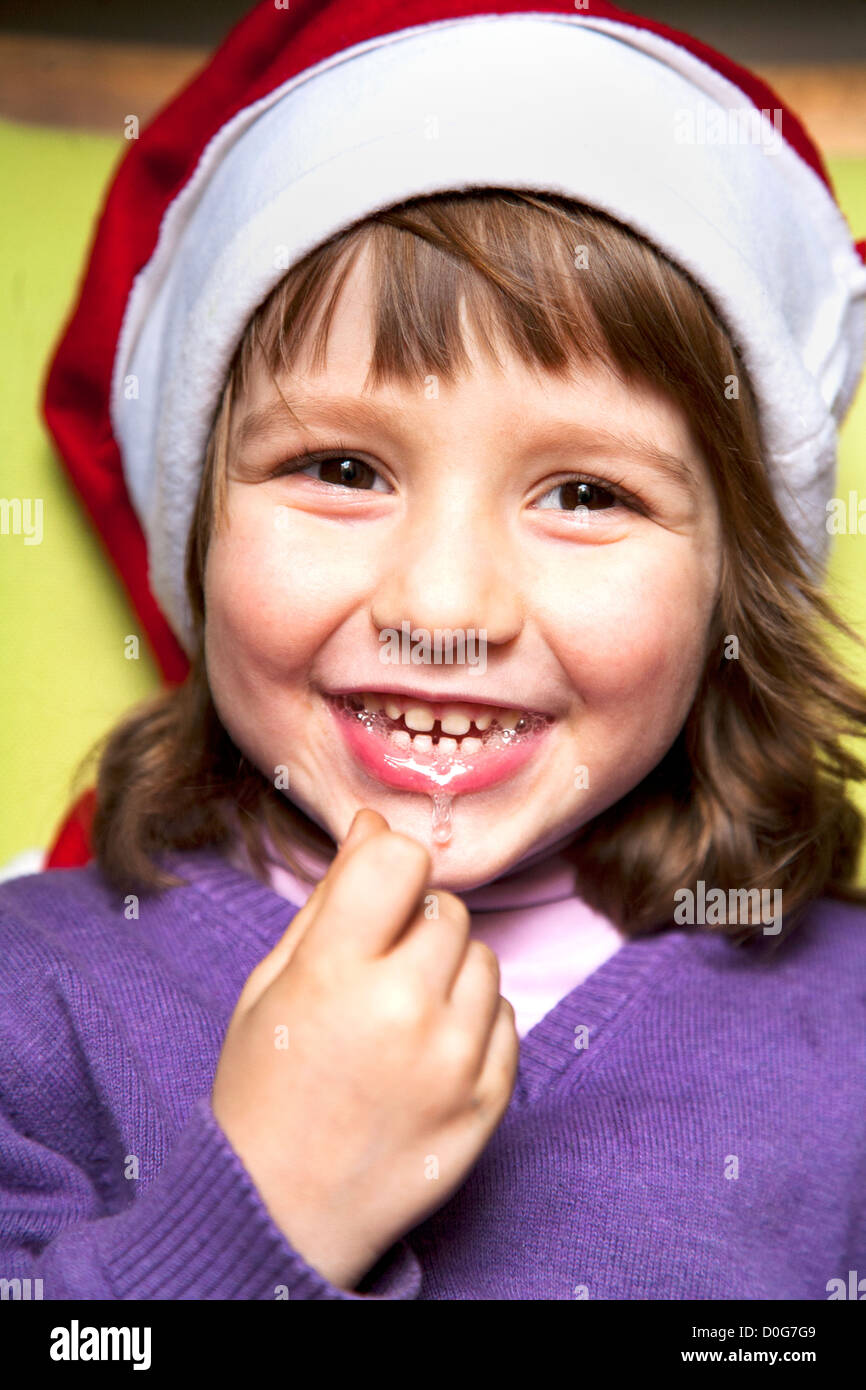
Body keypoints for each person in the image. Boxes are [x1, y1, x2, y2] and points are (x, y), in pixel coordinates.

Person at [2, 0, 866, 1300]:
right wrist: (262, 1211)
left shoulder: (838, 1035)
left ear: (728, 589)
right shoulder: (36, 995)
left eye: (586, 493)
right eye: (339, 467)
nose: (447, 601)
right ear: (195, 528)